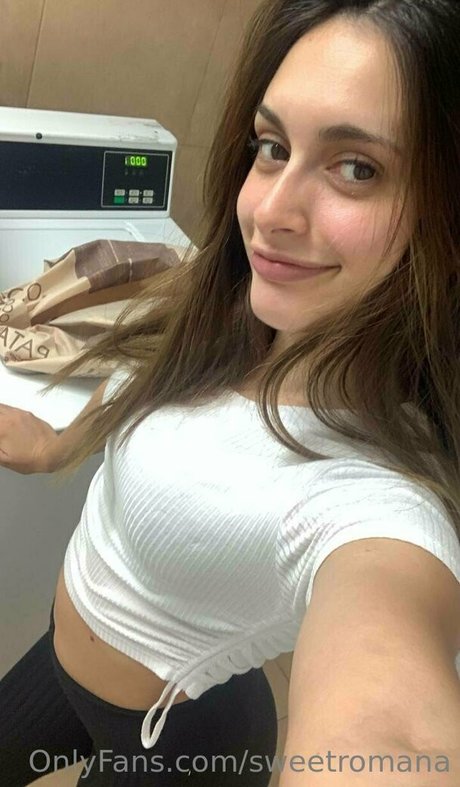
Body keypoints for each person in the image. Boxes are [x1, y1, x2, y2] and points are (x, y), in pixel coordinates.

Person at [1, 0, 460, 784]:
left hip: (178, 744)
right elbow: (165, 398)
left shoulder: (381, 498)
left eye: (357, 168)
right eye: (273, 147)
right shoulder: (239, 315)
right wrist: (58, 445)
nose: (269, 211)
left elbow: (395, 726)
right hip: (61, 658)